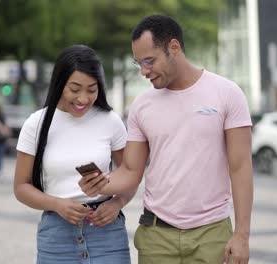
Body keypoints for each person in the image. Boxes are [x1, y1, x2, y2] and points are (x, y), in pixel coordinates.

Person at [80, 15, 253, 264]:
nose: (143, 71)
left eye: (149, 61)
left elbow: (241, 168)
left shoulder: (227, 94)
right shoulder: (141, 106)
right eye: (138, 63)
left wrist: (242, 236)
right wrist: (101, 184)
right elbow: (130, 170)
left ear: (174, 47)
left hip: (212, 234)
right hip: (156, 236)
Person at [13, 45, 134, 264]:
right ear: (60, 84)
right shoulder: (36, 124)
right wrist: (57, 204)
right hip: (57, 237)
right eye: (75, 89)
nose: (83, 98)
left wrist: (117, 203)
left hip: (107, 234)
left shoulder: (111, 121)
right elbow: (21, 187)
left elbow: (130, 174)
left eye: (91, 89)